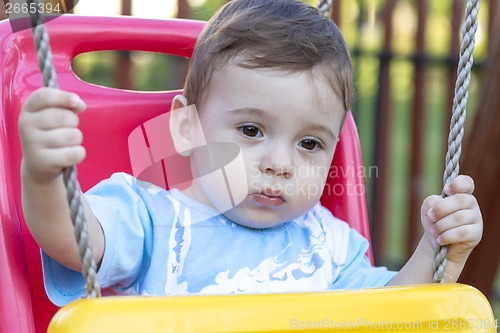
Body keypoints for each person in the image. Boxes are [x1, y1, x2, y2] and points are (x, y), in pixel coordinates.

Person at [18, 0, 482, 306]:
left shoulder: (328, 246)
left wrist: (439, 252)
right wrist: (44, 176)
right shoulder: (152, 215)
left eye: (309, 143)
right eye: (251, 129)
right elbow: (71, 240)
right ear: (186, 126)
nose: (280, 164)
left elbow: (394, 311)